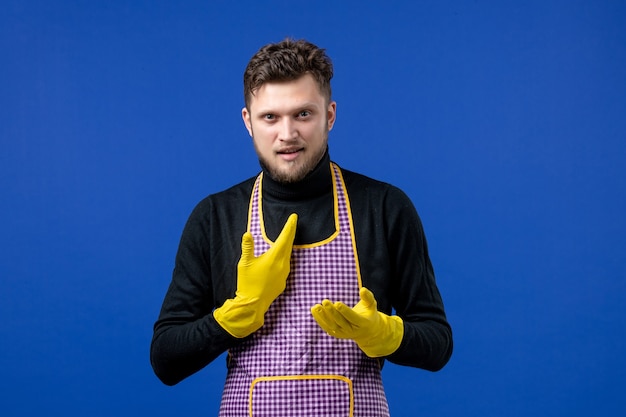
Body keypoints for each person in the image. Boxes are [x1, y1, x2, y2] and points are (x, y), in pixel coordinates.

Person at [150, 38, 452, 416]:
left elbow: (438, 343)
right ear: (248, 121)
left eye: (303, 114)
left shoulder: (384, 207)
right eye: (270, 117)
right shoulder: (215, 217)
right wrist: (237, 314)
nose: (287, 133)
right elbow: (165, 359)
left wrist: (384, 334)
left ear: (330, 115)